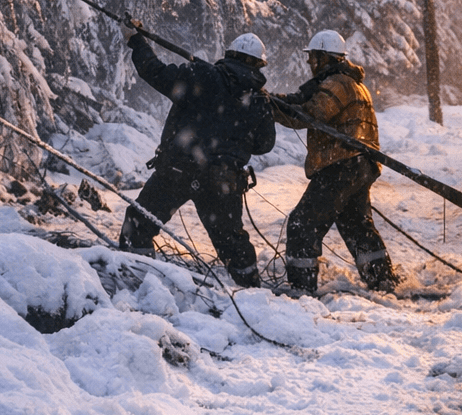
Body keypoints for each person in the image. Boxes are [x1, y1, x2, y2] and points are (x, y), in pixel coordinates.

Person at [119, 26, 278, 287]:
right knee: (233, 245)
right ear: (260, 65)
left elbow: (155, 72)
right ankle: (251, 293)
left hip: (177, 171)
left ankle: (137, 281)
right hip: (223, 182)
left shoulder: (202, 75)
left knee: (138, 224)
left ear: (229, 55)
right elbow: (264, 144)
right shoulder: (260, 100)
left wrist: (136, 41)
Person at [272, 29, 399, 296]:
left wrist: (270, 108)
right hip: (359, 165)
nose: (309, 64)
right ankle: (381, 279)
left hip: (341, 166)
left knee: (302, 224)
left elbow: (309, 114)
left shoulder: (337, 83)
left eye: (313, 58)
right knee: (356, 225)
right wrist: (277, 100)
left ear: (323, 58)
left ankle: (301, 287)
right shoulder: (352, 82)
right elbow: (304, 102)